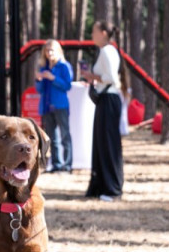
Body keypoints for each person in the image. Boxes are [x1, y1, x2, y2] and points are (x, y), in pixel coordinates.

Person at [81, 21, 124, 201]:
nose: (92, 35)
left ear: (104, 33)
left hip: (109, 99)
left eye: (94, 31)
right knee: (101, 144)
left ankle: (112, 188)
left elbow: (112, 78)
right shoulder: (105, 51)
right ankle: (101, 186)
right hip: (105, 100)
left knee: (108, 145)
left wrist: (93, 77)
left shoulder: (108, 51)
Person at [35, 39, 74, 173]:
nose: (49, 53)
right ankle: (56, 164)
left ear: (58, 51)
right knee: (52, 137)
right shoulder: (43, 68)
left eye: (52, 50)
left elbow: (67, 85)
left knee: (64, 135)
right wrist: (39, 80)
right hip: (46, 106)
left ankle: (67, 165)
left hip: (60, 105)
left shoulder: (64, 66)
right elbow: (39, 90)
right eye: (47, 50)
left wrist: (53, 78)